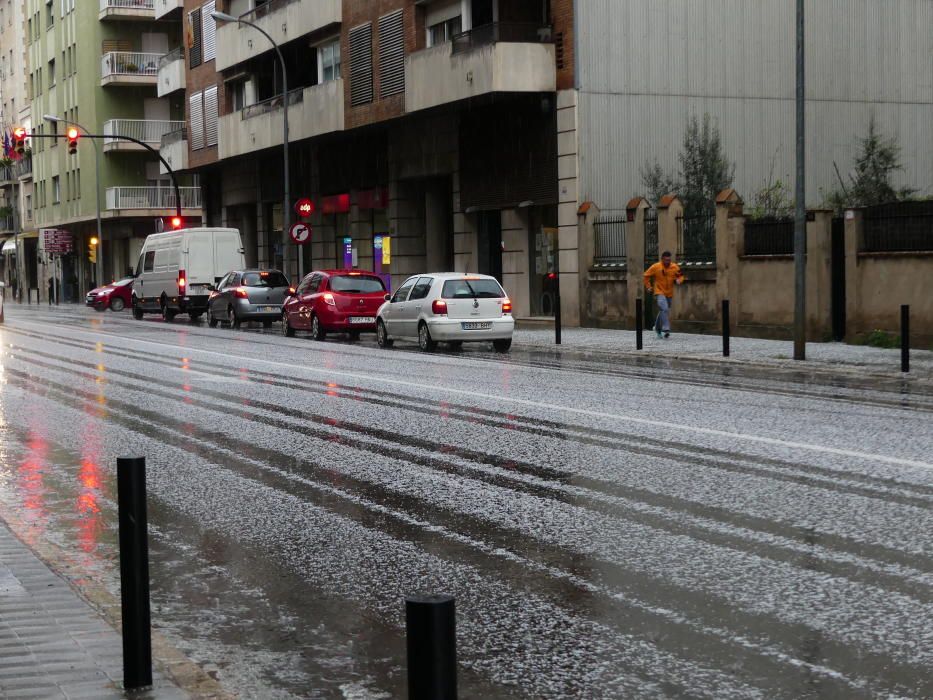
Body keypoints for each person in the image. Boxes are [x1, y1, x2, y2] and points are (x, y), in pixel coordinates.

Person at [643, 251, 685, 339]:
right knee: (664, 308)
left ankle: (657, 328)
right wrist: (648, 287)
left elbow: (681, 276)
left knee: (663, 310)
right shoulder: (656, 267)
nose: (668, 262)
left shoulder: (674, 267)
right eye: (666, 260)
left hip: (669, 293)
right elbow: (646, 275)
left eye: (669, 260)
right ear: (662, 259)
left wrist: (679, 280)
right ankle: (666, 328)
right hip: (659, 291)